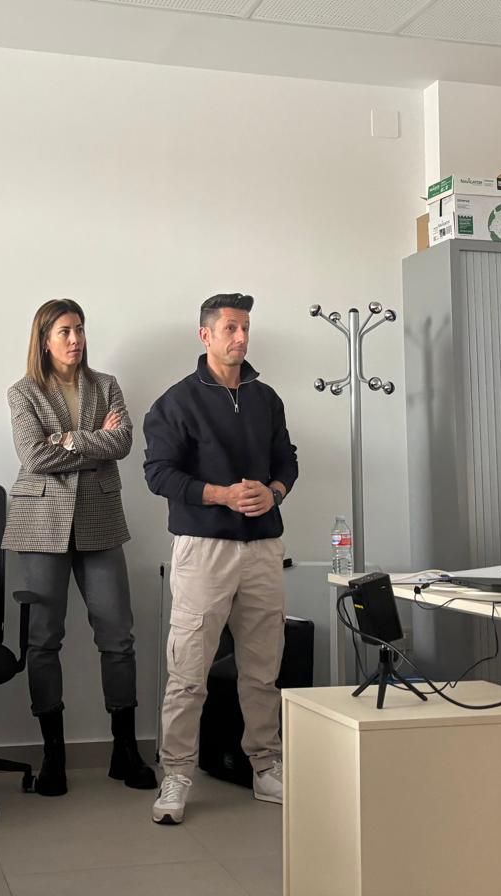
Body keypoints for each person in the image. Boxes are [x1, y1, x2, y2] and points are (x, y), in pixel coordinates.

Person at [142, 293, 298, 826]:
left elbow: (288, 462)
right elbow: (159, 475)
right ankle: (177, 775)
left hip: (262, 549)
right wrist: (222, 495)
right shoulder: (175, 403)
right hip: (203, 549)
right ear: (205, 335)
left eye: (246, 327)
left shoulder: (266, 398)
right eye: (231, 327)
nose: (241, 337)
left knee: (263, 670)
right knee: (188, 671)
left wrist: (273, 492)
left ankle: (265, 766)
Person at [3, 299, 156, 797]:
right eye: (65, 331)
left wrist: (67, 439)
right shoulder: (23, 391)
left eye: (80, 330)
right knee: (43, 640)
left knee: (118, 636)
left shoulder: (105, 385)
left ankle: (125, 750)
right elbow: (33, 455)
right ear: (44, 339)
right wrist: (88, 442)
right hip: (40, 523)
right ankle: (53, 755)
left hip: (99, 518)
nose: (76, 339)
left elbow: (125, 443)